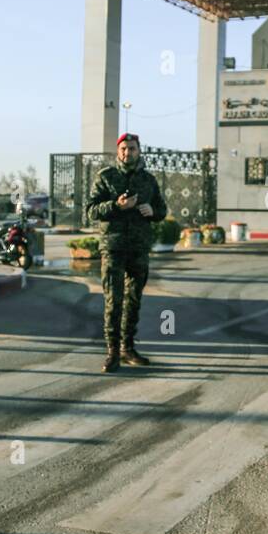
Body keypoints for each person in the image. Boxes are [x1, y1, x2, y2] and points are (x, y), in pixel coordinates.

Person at [84, 133, 168, 372]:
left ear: (139, 151)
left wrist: (152, 210)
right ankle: (112, 351)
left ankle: (128, 348)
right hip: (113, 247)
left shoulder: (148, 180)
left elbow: (162, 209)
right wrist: (116, 205)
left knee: (134, 300)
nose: (127, 153)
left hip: (139, 248)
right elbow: (90, 210)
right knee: (114, 300)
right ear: (117, 152)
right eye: (123, 149)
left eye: (131, 149)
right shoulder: (106, 177)